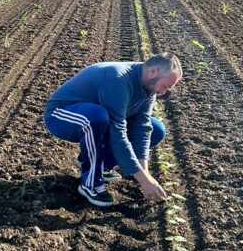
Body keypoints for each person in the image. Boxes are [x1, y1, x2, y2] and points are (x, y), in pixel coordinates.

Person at [43, 53, 182, 207]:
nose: (163, 92)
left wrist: (146, 174)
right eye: (165, 86)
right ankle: (91, 184)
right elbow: (117, 131)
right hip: (61, 113)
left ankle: (97, 164)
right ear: (153, 72)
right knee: (97, 117)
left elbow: (141, 129)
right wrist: (143, 180)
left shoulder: (148, 89)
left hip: (97, 117)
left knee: (156, 129)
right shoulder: (118, 78)